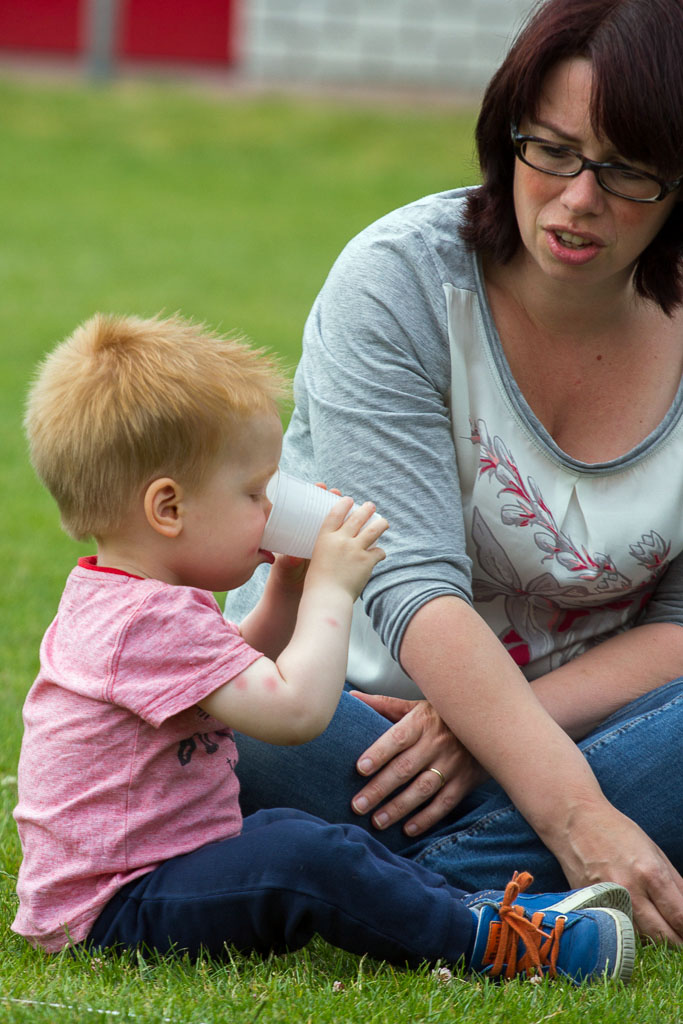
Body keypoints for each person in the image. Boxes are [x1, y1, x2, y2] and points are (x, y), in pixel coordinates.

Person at [227, 0, 683, 946]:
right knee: (214, 717)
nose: (576, 199)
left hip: (590, 729)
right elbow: (408, 584)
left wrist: (493, 737)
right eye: (549, 149)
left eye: (627, 168)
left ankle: (388, 887)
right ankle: (531, 873)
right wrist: (575, 815)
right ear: (503, 133)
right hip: (352, 725)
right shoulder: (397, 280)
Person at [12, 312, 635, 982]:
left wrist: (284, 588)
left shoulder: (126, 598)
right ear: (168, 509)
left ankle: (480, 911)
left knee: (297, 838)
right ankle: (497, 944)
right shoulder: (142, 619)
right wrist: (331, 591)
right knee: (305, 856)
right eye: (254, 492)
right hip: (117, 907)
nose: (269, 507)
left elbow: (227, 674)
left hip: (159, 868)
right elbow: (294, 714)